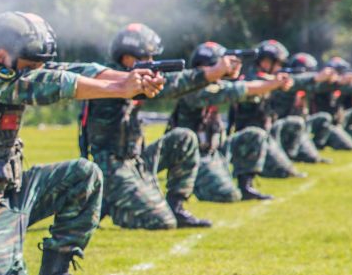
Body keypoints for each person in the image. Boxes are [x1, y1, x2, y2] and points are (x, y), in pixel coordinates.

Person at [0, 11, 164, 275]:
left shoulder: (18, 65)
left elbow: (80, 70)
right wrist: (119, 88)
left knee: (84, 176)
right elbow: (45, 84)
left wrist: (131, 79)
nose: (35, 70)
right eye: (30, 65)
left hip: (3, 193)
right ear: (2, 55)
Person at [78, 23, 238, 230]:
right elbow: (173, 85)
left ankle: (176, 206)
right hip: (111, 167)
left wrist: (216, 74)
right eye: (147, 58)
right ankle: (113, 205)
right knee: (161, 221)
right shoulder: (113, 81)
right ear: (128, 58)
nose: (152, 63)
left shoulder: (127, 79)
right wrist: (214, 72)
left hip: (135, 160)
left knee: (184, 138)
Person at [168, 42, 288, 203]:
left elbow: (242, 87)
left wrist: (273, 83)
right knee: (228, 195)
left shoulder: (210, 84)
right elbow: (240, 89)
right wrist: (273, 84)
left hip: (215, 150)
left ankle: (246, 186)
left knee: (255, 135)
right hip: (194, 157)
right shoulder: (196, 90)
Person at [227, 40, 302, 179]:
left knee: (287, 170)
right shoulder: (250, 79)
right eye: (277, 63)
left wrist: (279, 83)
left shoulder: (268, 80)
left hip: (262, 137)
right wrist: (275, 83)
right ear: (266, 62)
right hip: (249, 140)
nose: (279, 67)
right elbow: (255, 86)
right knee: (281, 171)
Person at [267, 52, 338, 163]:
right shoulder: (286, 83)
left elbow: (321, 86)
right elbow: (299, 81)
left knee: (312, 157)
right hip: (281, 129)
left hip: (299, 128)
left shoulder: (304, 86)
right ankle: (289, 156)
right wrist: (316, 78)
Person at [309, 57, 352, 151]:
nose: (341, 75)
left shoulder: (337, 86)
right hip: (322, 126)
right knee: (348, 146)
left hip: (332, 125)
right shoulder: (321, 85)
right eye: (339, 72)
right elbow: (325, 86)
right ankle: (317, 143)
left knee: (350, 145)